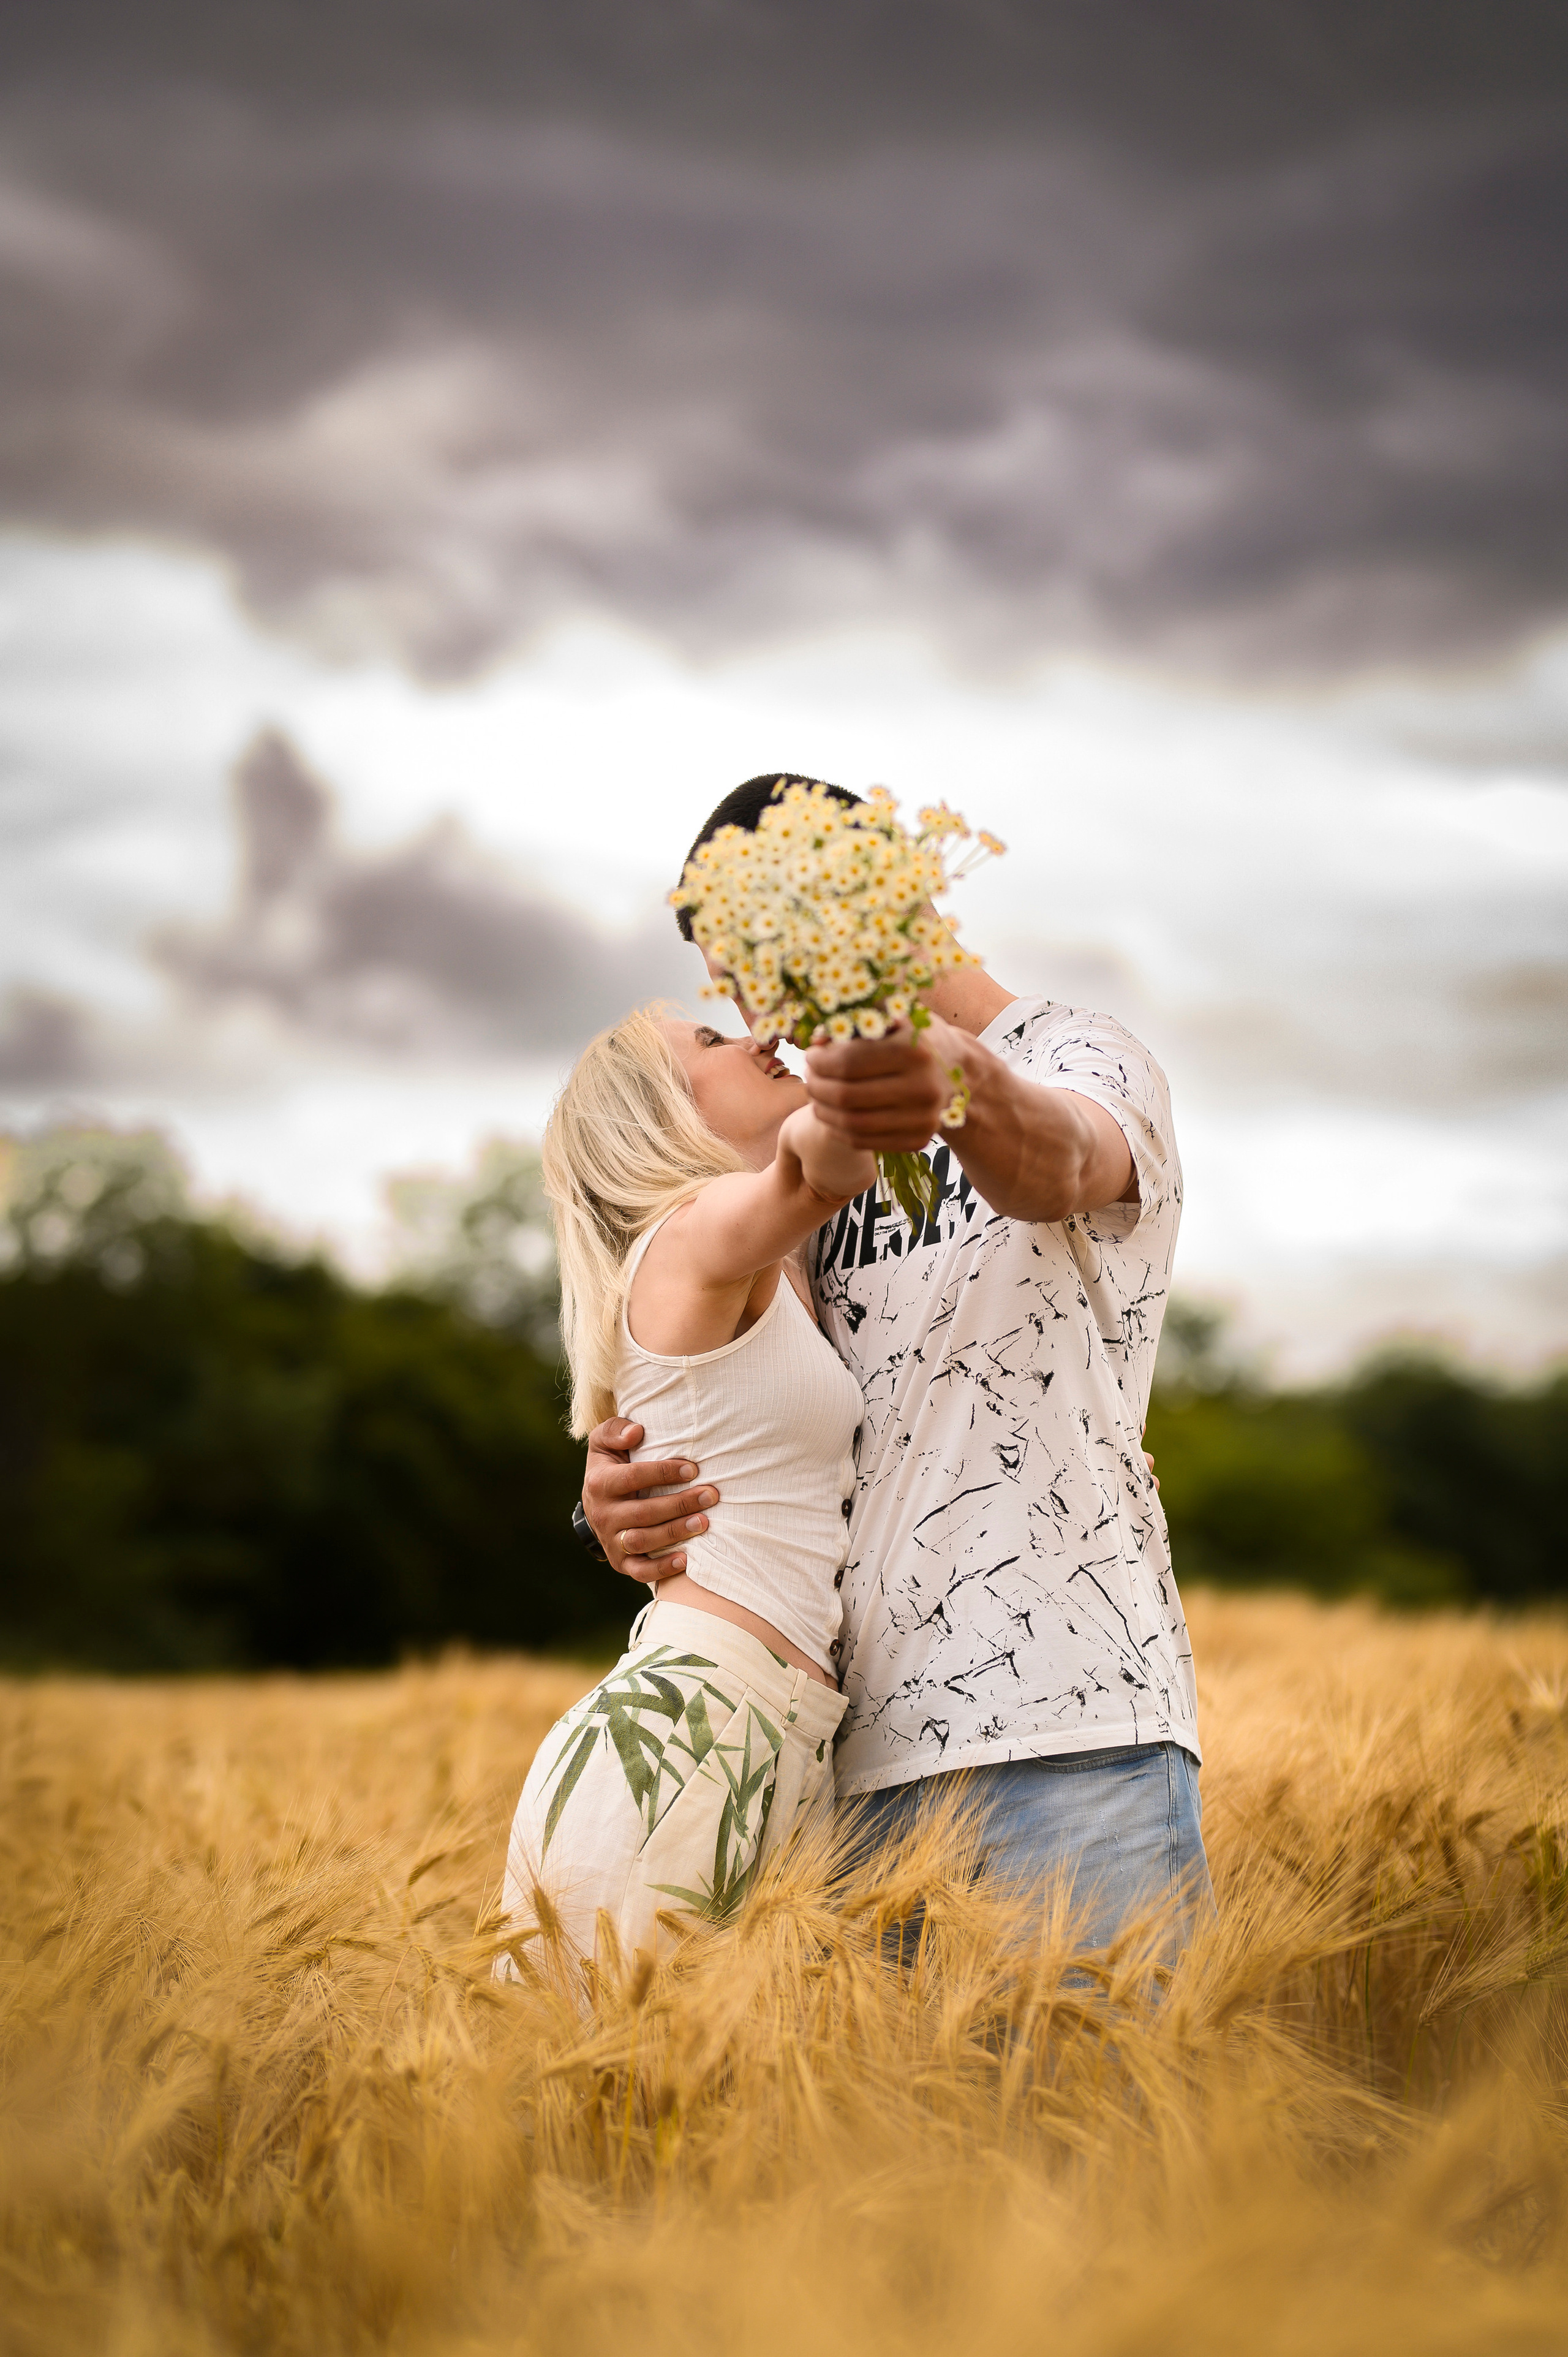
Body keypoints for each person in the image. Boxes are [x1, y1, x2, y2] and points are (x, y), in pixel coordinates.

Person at [581, 776, 1212, 1956]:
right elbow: (745, 1399)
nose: (764, 1012)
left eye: (764, 954)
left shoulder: (1086, 1059)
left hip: (1063, 1734)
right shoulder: (818, 1157)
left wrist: (957, 1081)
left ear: (879, 895)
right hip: (836, 1766)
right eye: (736, 984)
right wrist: (619, 1498)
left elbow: (1056, 1162)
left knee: (1117, 2134)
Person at [494, 1004, 875, 1981]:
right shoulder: (691, 1242)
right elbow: (812, 1169)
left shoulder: (768, 1268)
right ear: (659, 1115)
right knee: (609, 2109)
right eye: (710, 1043)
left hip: (779, 1730)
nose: (758, 1040)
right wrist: (868, 1054)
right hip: (692, 1729)